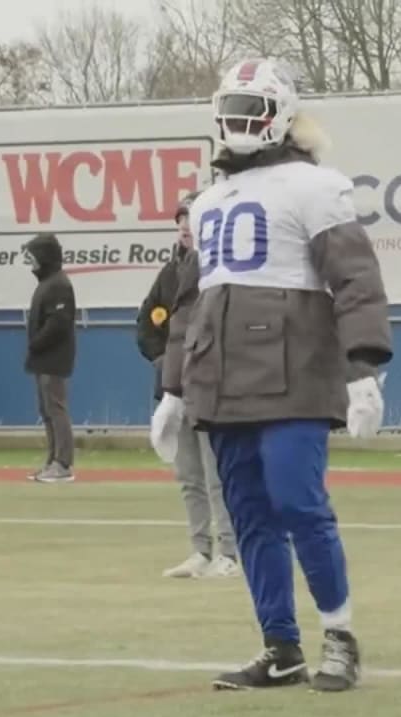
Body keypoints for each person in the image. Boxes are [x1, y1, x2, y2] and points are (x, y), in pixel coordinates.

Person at [149, 57, 393, 693]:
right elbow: (190, 301)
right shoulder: (208, 201)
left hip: (294, 372)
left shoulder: (316, 186)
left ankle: (339, 636)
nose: (238, 123)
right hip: (221, 375)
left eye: (251, 110)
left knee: (298, 502)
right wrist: (174, 388)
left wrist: (364, 368)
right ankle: (280, 646)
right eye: (230, 110)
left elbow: (356, 282)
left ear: (281, 116)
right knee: (251, 516)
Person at [136, 192, 240, 580]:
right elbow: (147, 323)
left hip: (210, 386)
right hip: (173, 389)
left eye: (191, 221)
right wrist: (164, 365)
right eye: (181, 222)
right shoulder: (169, 272)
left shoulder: (221, 272)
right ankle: (200, 549)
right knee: (188, 476)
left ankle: (228, 552)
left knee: (218, 476)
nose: (184, 228)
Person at [21, 232, 77, 483]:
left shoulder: (59, 285)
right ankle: (52, 461)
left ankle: (63, 463)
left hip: (53, 359)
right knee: (46, 410)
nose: (29, 262)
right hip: (42, 359)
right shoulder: (47, 283)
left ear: (44, 257)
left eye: (32, 256)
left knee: (56, 409)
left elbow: (59, 324)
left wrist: (36, 343)